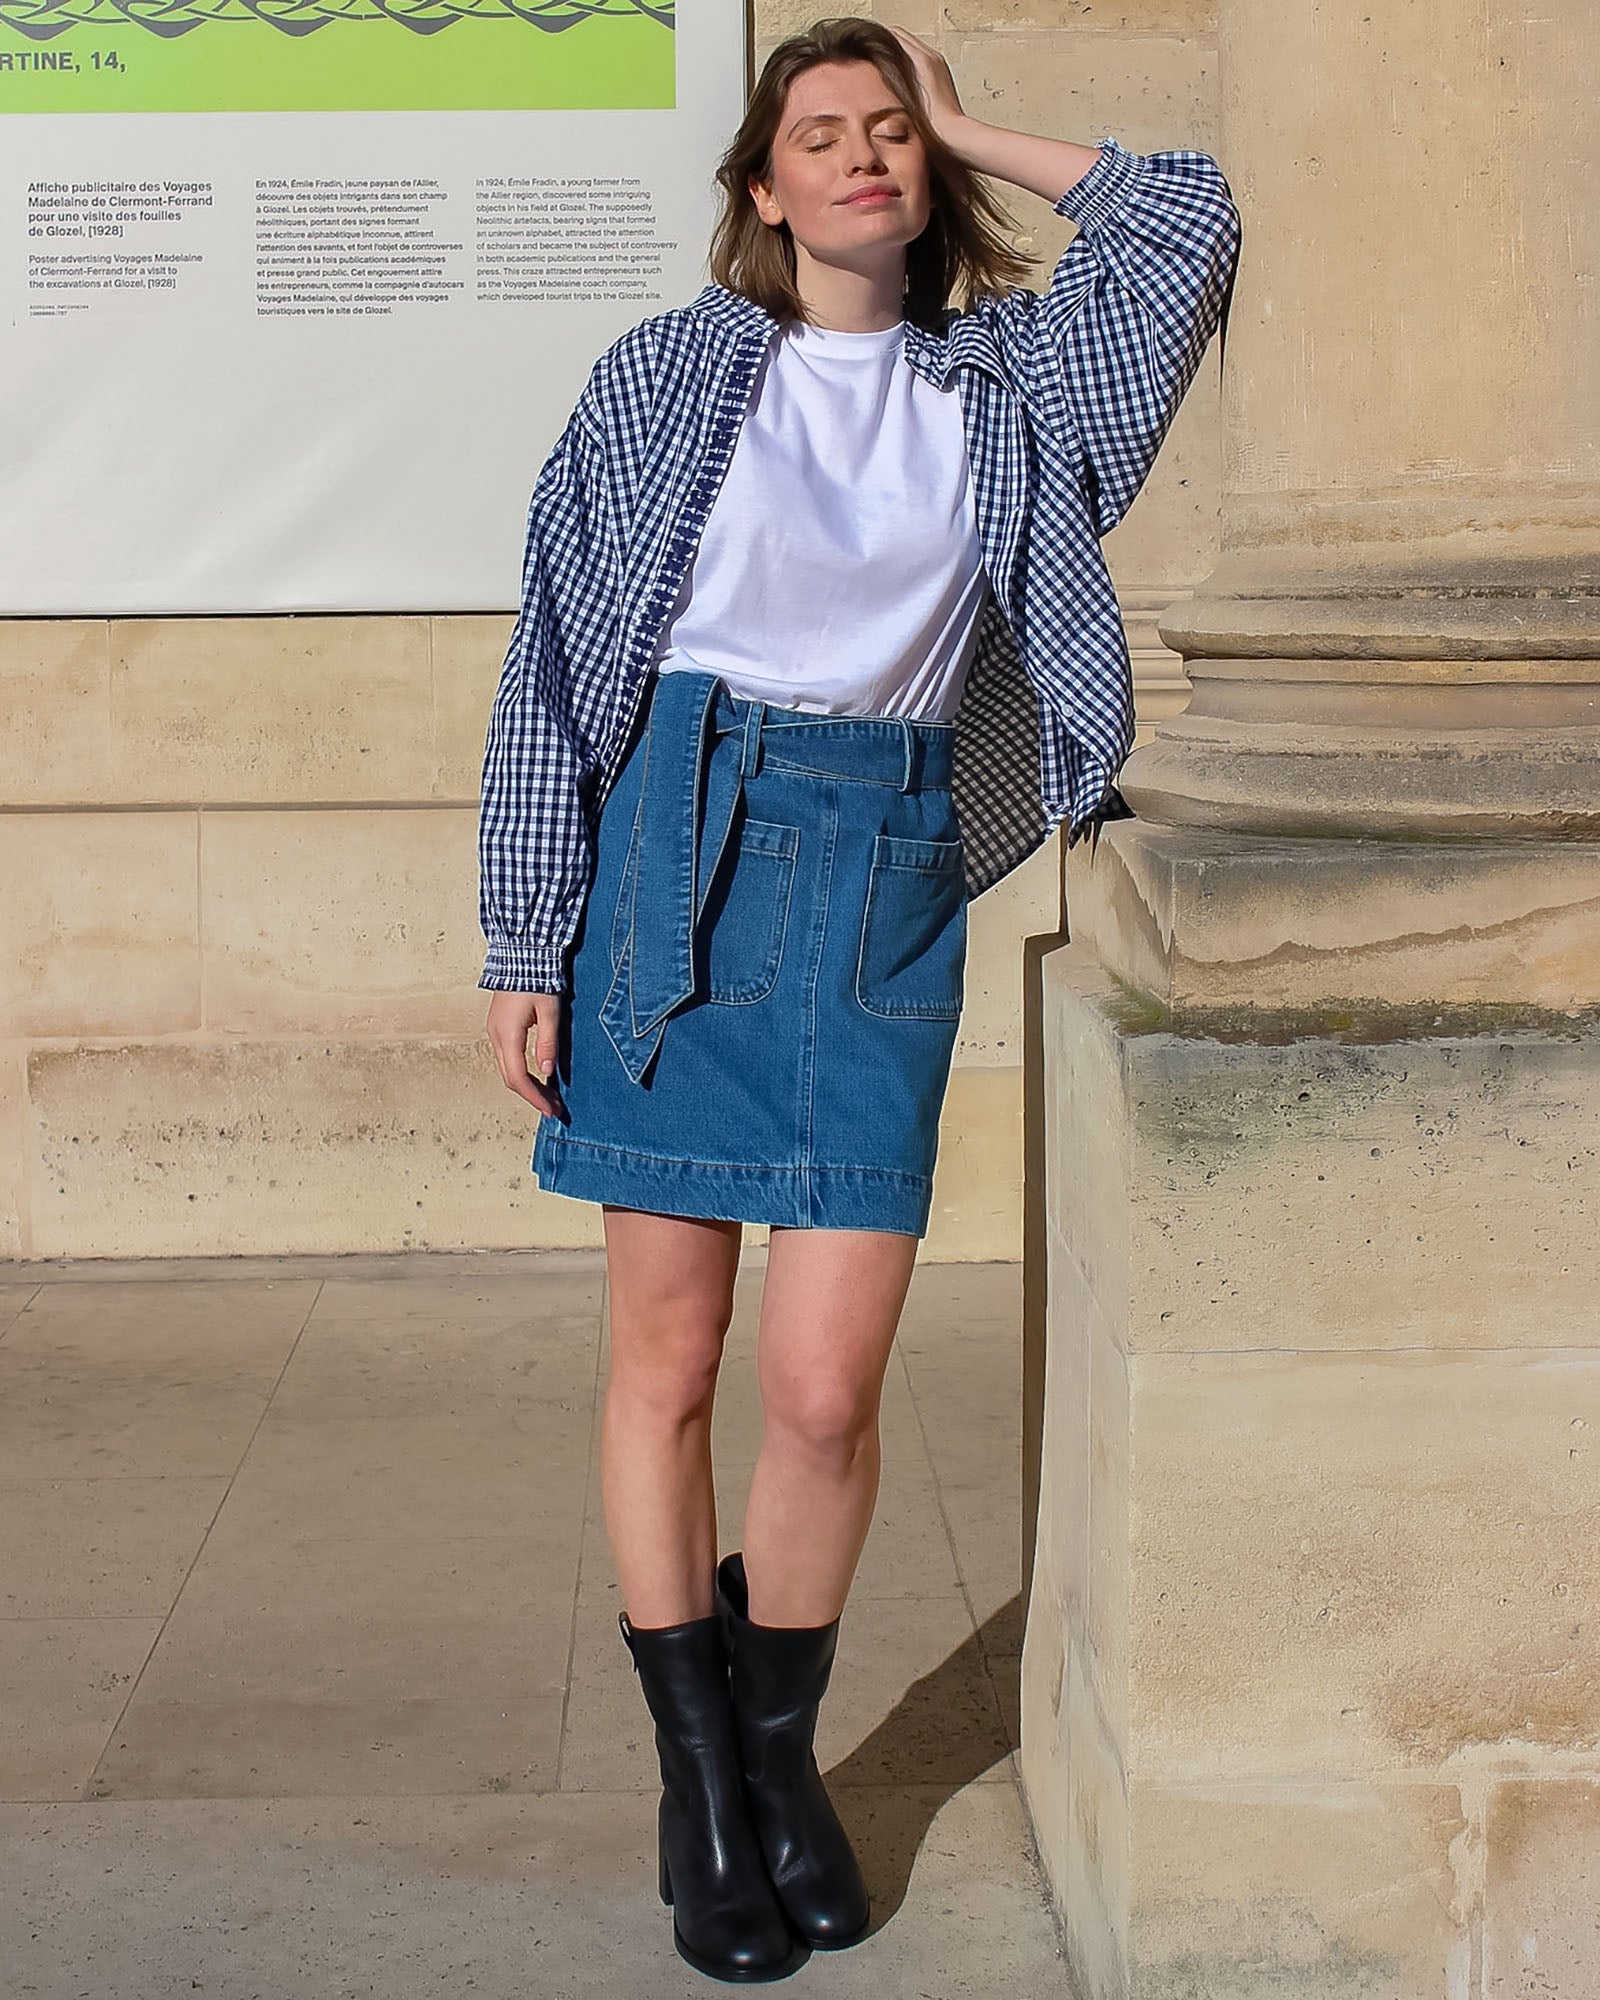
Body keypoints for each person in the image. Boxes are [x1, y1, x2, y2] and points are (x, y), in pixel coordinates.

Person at [478, 16, 1241, 1982]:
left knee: (822, 1390)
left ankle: (775, 1746)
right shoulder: (661, 379)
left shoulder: (1012, 387)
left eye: (886, 129)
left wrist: (969, 123)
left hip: (883, 870)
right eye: (817, 133)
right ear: (762, 185)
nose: (860, 155)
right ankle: (703, 1785)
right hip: (677, 851)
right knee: (669, 1356)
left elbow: (1185, 221)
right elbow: (553, 660)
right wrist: (524, 937)